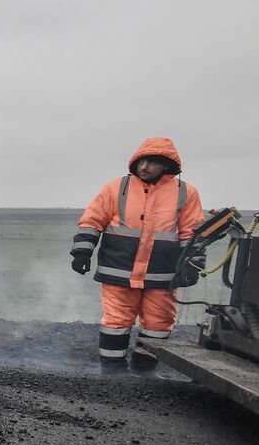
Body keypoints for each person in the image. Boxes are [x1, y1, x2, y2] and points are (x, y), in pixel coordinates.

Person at [70, 137, 203, 376]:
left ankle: (144, 372)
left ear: (167, 165)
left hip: (162, 274)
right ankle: (112, 373)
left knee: (159, 324)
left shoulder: (186, 193)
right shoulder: (116, 187)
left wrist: (192, 264)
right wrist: (82, 251)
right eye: (141, 161)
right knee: (116, 322)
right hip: (118, 270)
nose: (144, 167)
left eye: (152, 162)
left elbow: (191, 233)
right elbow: (92, 220)